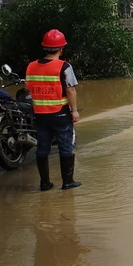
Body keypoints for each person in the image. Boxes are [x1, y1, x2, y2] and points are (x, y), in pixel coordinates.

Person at [26, 29, 81, 191]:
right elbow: (70, 90)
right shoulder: (64, 66)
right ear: (61, 48)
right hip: (60, 113)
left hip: (40, 114)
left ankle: (44, 183)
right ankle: (68, 182)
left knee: (42, 148)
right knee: (65, 146)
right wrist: (75, 110)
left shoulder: (31, 66)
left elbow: (27, 88)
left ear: (44, 48)